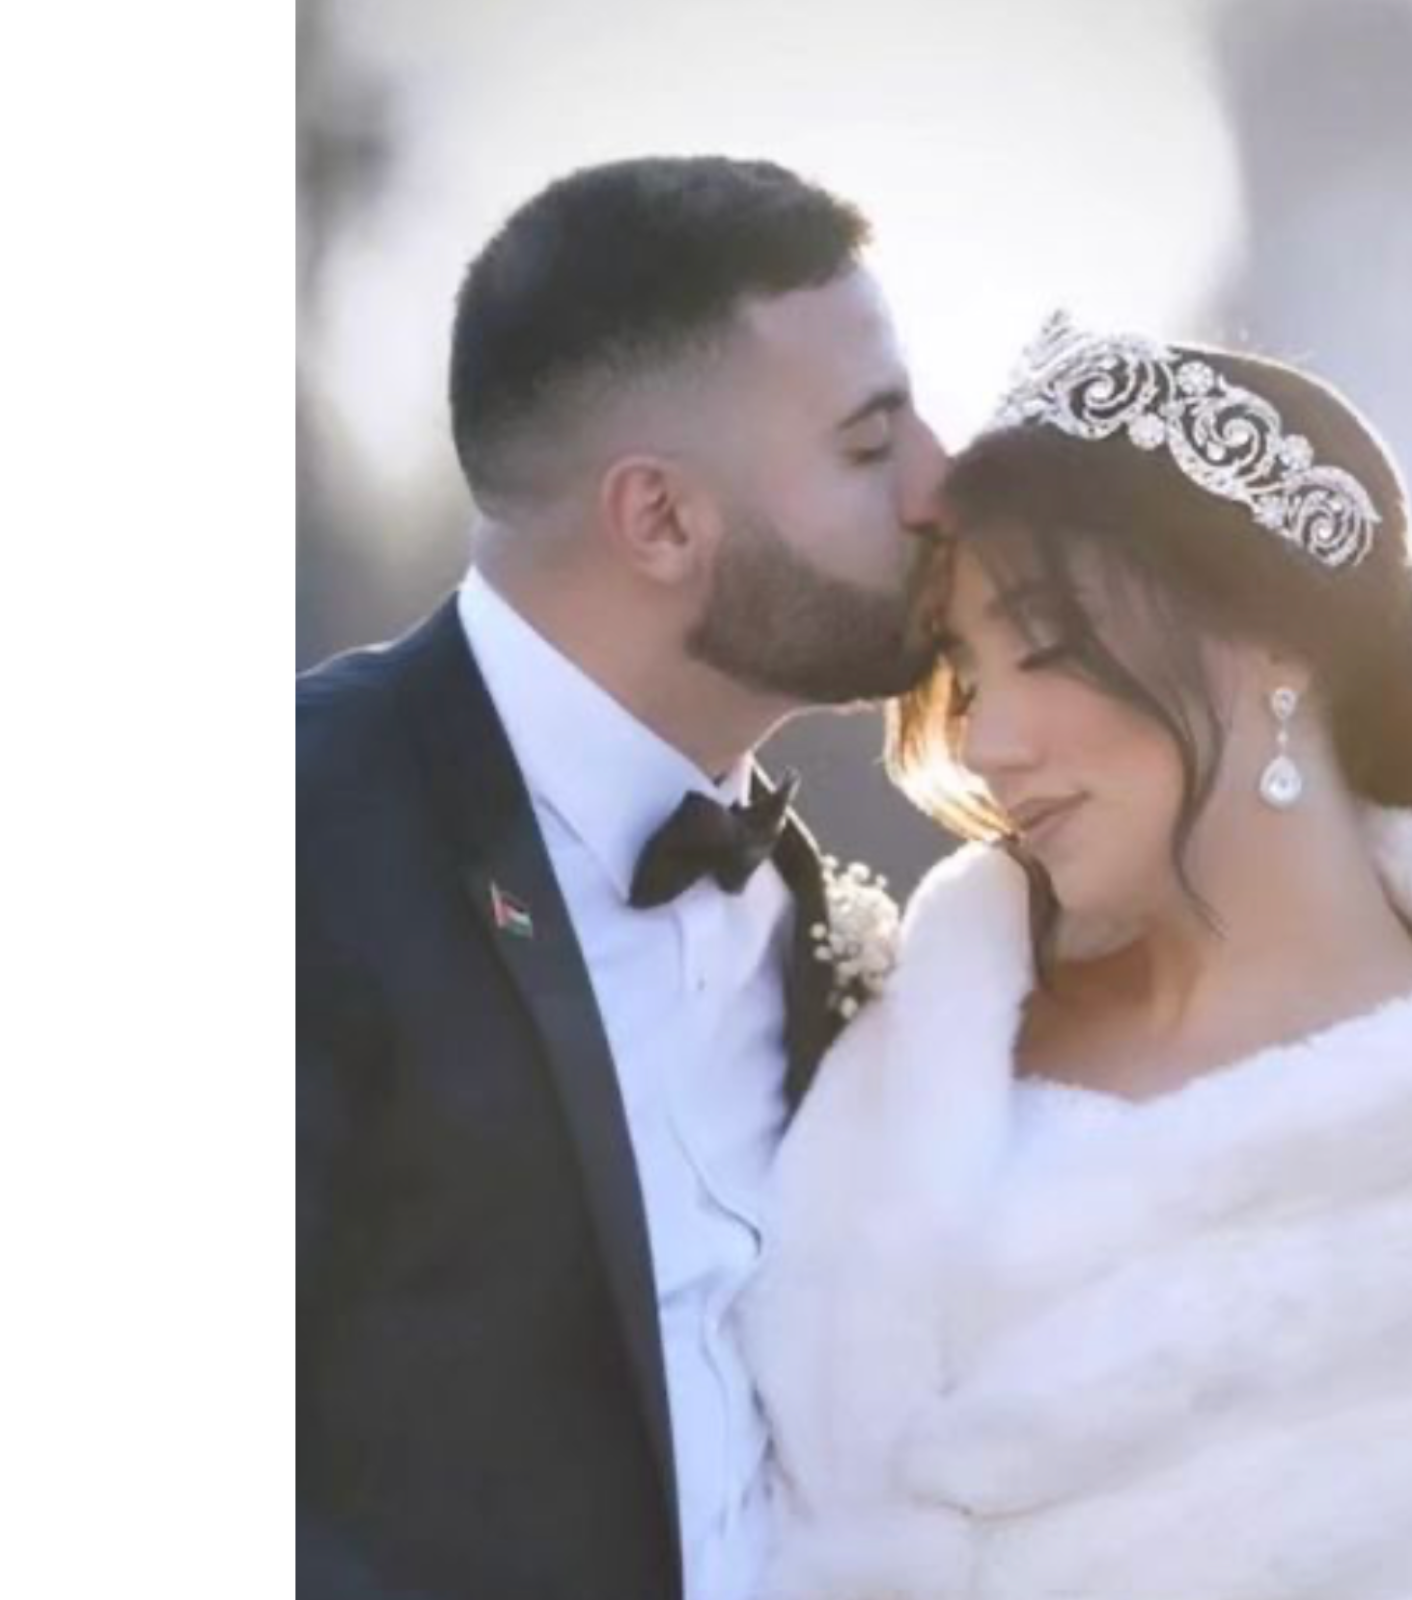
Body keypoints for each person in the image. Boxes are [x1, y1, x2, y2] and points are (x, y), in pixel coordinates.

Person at [296, 155, 946, 1600]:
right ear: (659, 518)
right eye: (869, 443)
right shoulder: (298, 839)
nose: (942, 485)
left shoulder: (827, 916)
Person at [743, 313, 1412, 1599]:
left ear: (1275, 642)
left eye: (1042, 645)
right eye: (964, 669)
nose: (987, 742)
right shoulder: (893, 1054)